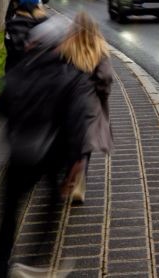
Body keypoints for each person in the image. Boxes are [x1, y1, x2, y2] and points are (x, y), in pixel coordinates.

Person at [0, 16, 95, 278]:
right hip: (50, 154)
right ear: (58, 46)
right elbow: (76, 121)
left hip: (18, 154)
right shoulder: (70, 75)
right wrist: (77, 160)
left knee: (7, 216)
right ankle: (36, 263)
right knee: (51, 205)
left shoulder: (19, 71)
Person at [58, 11, 113, 204]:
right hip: (90, 103)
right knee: (86, 143)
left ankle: (70, 170)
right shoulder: (99, 50)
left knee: (70, 139)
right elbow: (105, 76)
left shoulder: (65, 49)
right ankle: (80, 179)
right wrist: (102, 92)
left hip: (68, 102)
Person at [3, 0, 48, 72]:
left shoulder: (13, 25)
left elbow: (11, 48)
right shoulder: (45, 24)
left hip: (15, 74)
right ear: (37, 4)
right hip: (38, 76)